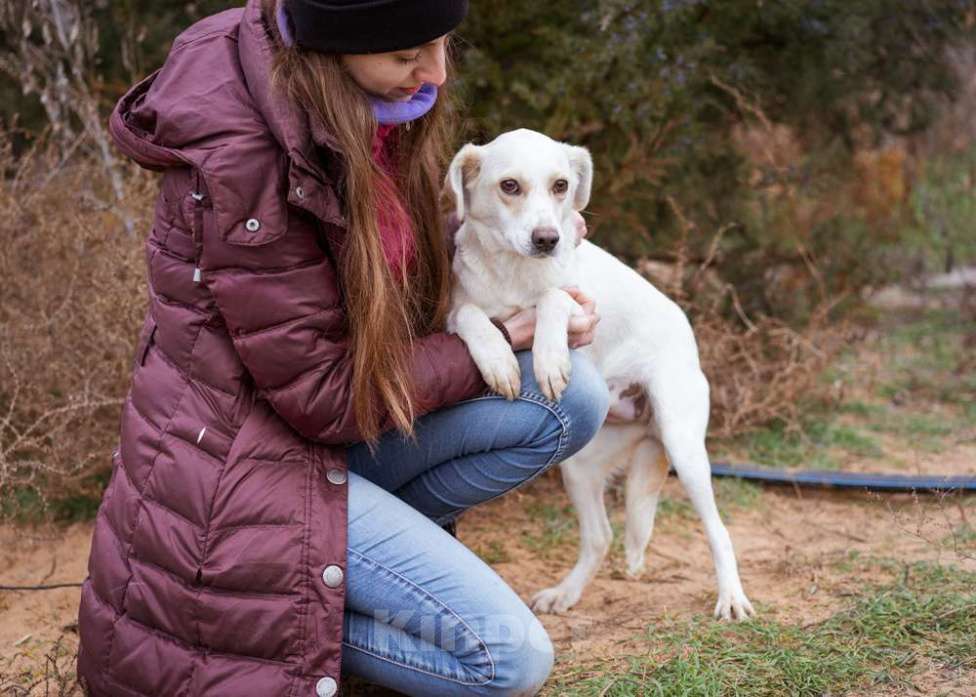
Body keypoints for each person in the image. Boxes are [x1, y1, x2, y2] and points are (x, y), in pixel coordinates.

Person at [76, 1, 609, 695]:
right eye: (406, 54)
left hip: (326, 440)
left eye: (443, 44)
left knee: (574, 397)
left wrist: (498, 241)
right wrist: (504, 332)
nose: (437, 73)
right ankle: (303, 615)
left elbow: (374, 267)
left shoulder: (366, 109)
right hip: (247, 478)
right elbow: (325, 395)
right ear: (337, 47)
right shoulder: (250, 162)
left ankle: (371, 569)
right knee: (508, 660)